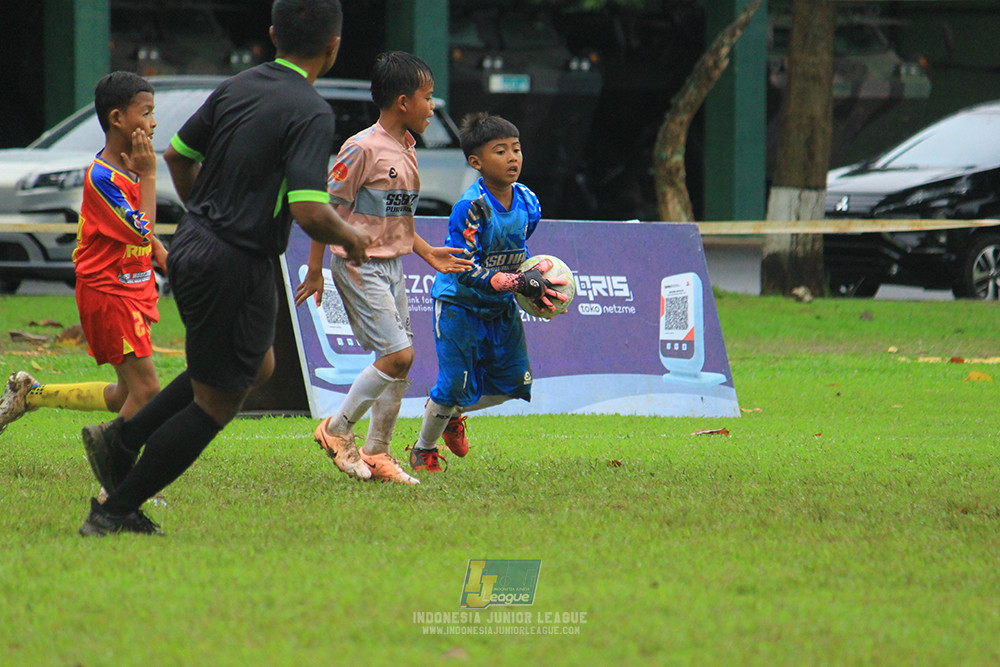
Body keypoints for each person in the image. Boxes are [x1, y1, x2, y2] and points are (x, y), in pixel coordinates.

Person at [78, 0, 370, 537]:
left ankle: (121, 439)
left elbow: (177, 157)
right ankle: (115, 510)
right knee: (217, 403)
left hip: (195, 246)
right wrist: (351, 237)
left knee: (256, 366)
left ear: (272, 34)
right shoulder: (310, 110)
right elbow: (309, 210)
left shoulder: (238, 85)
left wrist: (207, 220)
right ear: (332, 46)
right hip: (237, 259)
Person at [300, 52, 473, 485]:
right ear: (402, 102)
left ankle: (377, 452)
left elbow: (392, 219)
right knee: (399, 356)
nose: (433, 106)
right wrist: (316, 269)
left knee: (399, 362)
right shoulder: (361, 148)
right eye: (428, 98)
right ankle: (337, 431)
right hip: (360, 266)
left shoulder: (407, 149)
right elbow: (329, 210)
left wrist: (428, 253)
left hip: (392, 265)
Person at [0, 72, 167, 442]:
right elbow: (141, 227)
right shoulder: (102, 177)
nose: (153, 123)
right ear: (117, 119)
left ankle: (31, 394)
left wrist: (158, 250)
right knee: (147, 392)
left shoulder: (128, 167)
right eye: (146, 112)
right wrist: (151, 177)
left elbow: (135, 232)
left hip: (130, 289)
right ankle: (111, 459)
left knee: (126, 393)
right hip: (111, 294)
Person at [406, 112, 567, 473]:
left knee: (516, 383)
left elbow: (520, 251)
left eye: (517, 149)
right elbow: (462, 267)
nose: (513, 158)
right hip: (458, 305)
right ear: (476, 162)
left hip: (500, 307)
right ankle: (423, 449)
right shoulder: (470, 207)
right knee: (451, 384)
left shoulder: (528, 201)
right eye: (501, 151)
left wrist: (537, 282)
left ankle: (450, 413)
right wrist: (513, 282)